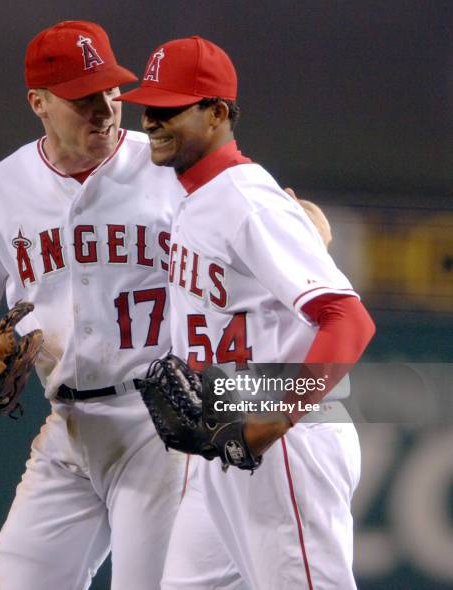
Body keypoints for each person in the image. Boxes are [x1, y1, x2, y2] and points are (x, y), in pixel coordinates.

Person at [0, 21, 336, 590]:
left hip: (160, 421)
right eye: (82, 98)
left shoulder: (168, 160)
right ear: (38, 103)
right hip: (67, 423)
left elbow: (286, 216)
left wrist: (309, 228)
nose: (104, 108)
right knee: (19, 571)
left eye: (111, 90)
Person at [117, 36, 375, 589]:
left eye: (169, 108)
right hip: (224, 435)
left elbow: (349, 319)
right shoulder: (198, 193)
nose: (152, 119)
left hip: (282, 439)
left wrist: (274, 419)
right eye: (149, 106)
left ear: (216, 113)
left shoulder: (244, 200)